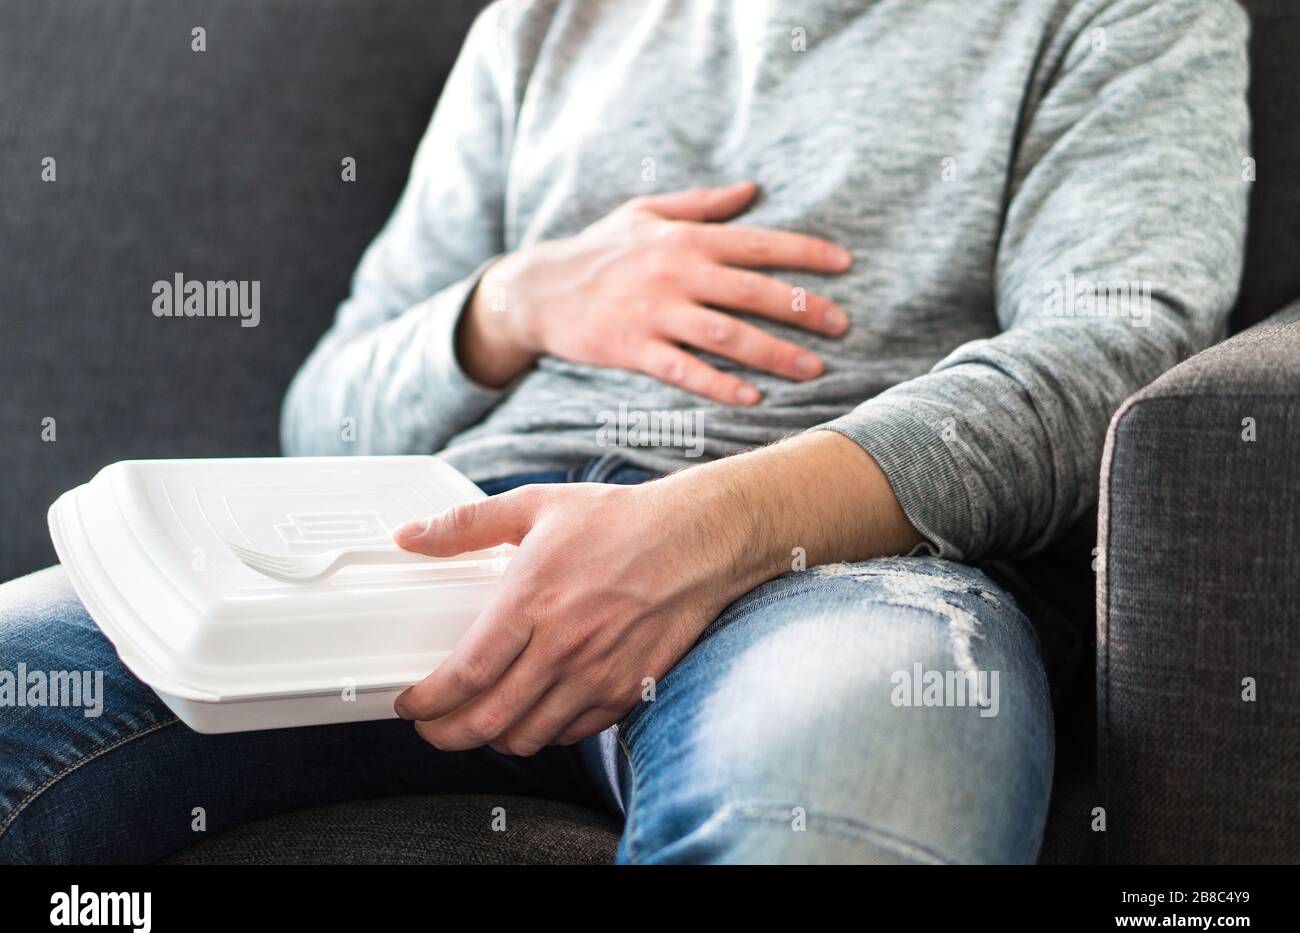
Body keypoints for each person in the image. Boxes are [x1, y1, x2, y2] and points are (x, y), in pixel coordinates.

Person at [0, 0, 1250, 863]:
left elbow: (1115, 358)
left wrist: (716, 523)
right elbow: (322, 412)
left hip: (830, 574)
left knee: (838, 817)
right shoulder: (542, 26)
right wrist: (513, 301)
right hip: (445, 545)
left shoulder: (1119, 15)